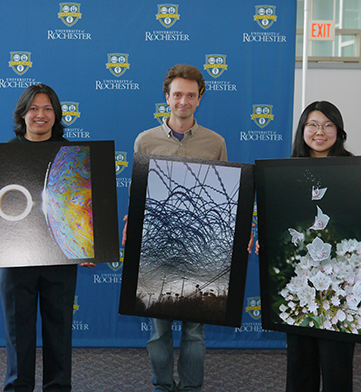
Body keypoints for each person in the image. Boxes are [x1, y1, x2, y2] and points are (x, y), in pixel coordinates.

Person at [123, 64, 227, 392]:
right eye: (178, 94)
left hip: (202, 249)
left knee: (195, 332)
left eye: (191, 95)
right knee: (159, 332)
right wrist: (131, 222)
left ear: (199, 99)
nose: (184, 101)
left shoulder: (215, 143)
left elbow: (225, 198)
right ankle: (162, 386)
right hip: (157, 248)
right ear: (166, 97)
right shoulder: (145, 141)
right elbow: (138, 195)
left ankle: (192, 388)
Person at [285, 101, 361, 392]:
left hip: (341, 284)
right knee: (299, 368)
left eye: (328, 125)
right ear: (302, 130)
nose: (320, 132)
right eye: (313, 125)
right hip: (300, 283)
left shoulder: (353, 168)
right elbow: (280, 220)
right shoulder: (287, 171)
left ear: (338, 130)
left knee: (337, 369)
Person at [0, 83, 94, 392]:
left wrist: (91, 245)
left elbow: (87, 208)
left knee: (59, 333)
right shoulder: (1, 155)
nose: (40, 115)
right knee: (18, 335)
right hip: (15, 261)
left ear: (56, 114)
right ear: (22, 114)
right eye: (34, 108)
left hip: (60, 260)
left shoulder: (76, 156)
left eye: (48, 108)